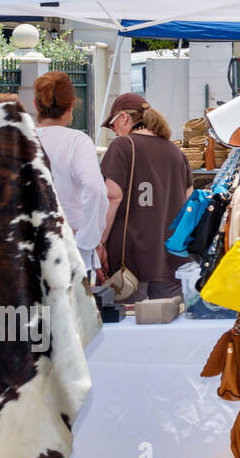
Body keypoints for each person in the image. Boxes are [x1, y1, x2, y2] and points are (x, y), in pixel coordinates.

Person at [96, 93, 192, 301]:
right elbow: (188, 202)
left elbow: (112, 196)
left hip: (130, 261)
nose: (114, 132)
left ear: (123, 118)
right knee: (170, 328)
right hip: (171, 260)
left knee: (128, 327)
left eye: (112, 125)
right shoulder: (176, 152)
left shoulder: (122, 146)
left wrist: (100, 243)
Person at [34, 71, 108, 278]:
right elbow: (95, 189)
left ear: (36, 104)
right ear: (71, 106)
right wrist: (88, 240)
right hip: (71, 248)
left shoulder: (18, 139)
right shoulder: (76, 141)